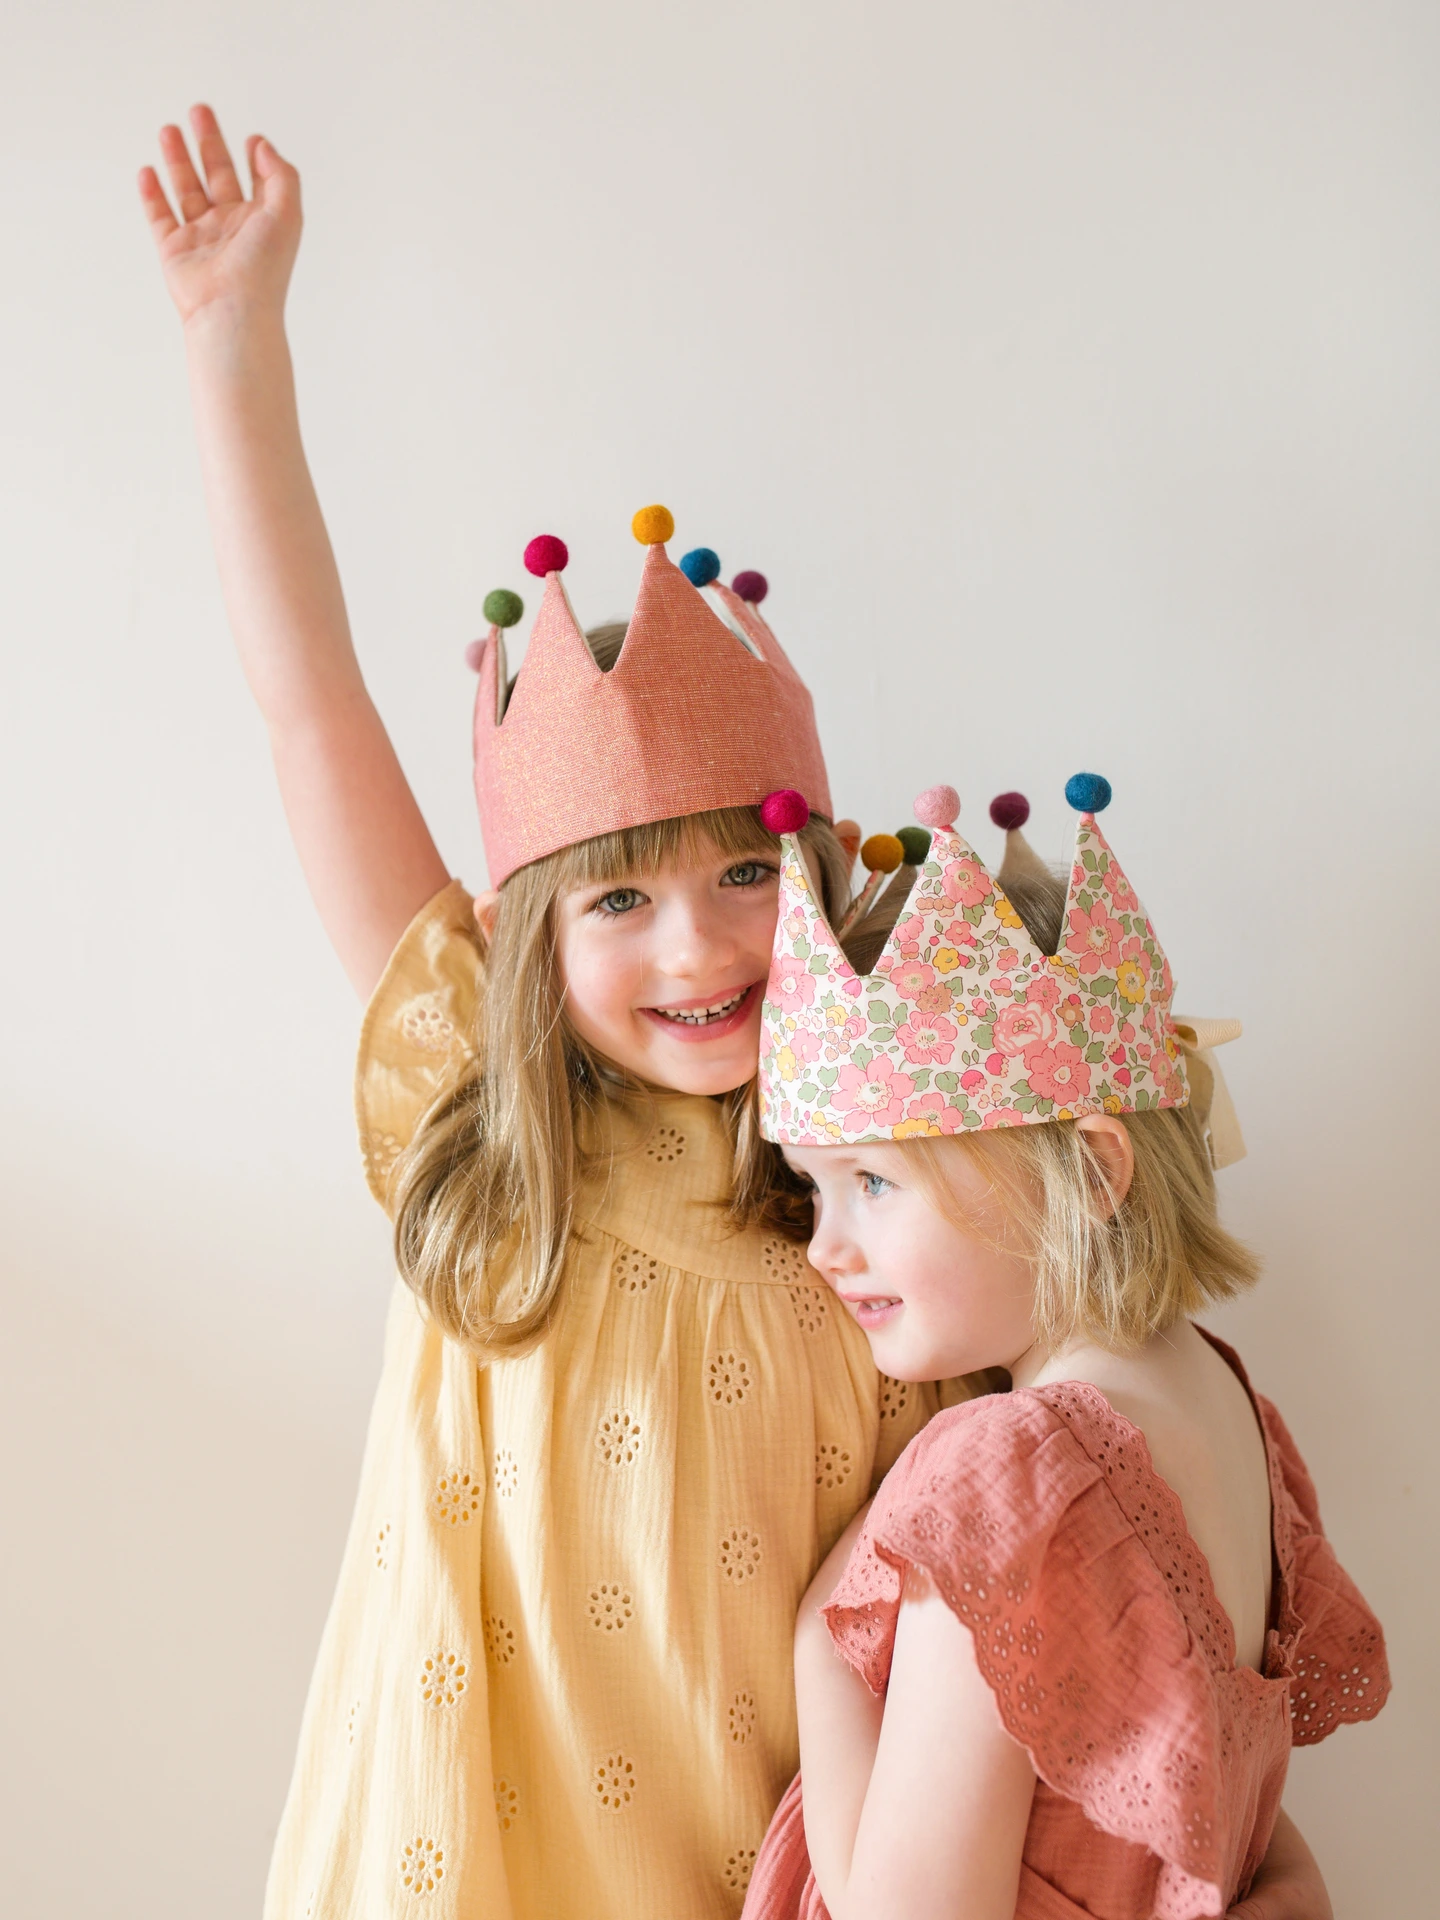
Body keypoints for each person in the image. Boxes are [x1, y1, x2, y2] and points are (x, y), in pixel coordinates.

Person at [136, 105, 951, 1919]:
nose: (696, 949)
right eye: (620, 898)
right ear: (529, 936)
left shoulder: (893, 1189)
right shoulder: (494, 1119)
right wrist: (235, 347)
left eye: (747, 873)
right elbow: (313, 714)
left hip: (762, 1872)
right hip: (446, 1863)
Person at [743, 779, 1388, 1920]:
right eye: (813, 1190)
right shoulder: (1229, 1408)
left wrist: (817, 1654)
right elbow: (1214, 1824)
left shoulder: (1012, 1475)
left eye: (875, 1183)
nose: (823, 1248)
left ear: (1091, 1172)